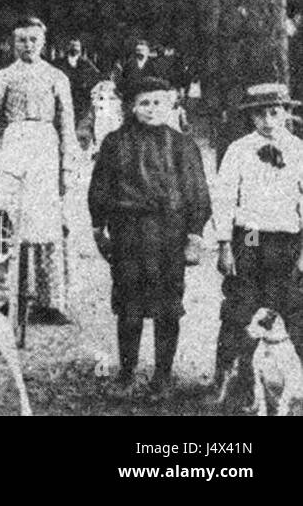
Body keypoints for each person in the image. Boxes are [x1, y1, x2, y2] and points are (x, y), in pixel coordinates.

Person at [88, 76, 209, 400]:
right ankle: (126, 373)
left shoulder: (183, 144)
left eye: (158, 102)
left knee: (168, 308)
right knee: (129, 307)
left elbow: (198, 194)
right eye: (144, 103)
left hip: (170, 236)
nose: (152, 109)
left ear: (171, 105)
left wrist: (194, 236)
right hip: (129, 234)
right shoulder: (115, 142)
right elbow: (99, 188)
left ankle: (163, 376)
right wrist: (99, 228)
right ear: (132, 106)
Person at [0, 17, 77, 323]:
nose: (27, 46)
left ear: (43, 41)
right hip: (15, 145)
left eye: (33, 39)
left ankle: (50, 302)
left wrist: (68, 165)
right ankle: (7, 298)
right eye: (21, 40)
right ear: (12, 43)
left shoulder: (57, 77)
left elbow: (67, 124)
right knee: (10, 217)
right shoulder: (3, 76)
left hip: (45, 146)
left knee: (45, 221)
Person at [209, 82, 303, 404]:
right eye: (259, 114)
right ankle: (233, 381)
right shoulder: (239, 149)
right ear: (250, 118)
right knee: (241, 307)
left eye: (275, 112)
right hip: (251, 235)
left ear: (287, 113)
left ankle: (293, 384)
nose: (268, 120)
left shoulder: (299, 150)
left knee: (293, 307)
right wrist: (225, 244)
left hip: (288, 238)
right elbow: (224, 199)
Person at [56, 38, 103, 124]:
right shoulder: (59, 63)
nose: (74, 48)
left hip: (82, 100)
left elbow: (96, 78)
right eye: (72, 45)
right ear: (67, 47)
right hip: (64, 98)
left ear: (80, 48)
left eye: (77, 46)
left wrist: (87, 87)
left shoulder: (87, 63)